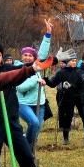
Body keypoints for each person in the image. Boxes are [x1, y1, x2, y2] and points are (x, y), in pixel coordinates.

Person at [16, 19, 53, 150]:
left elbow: (42, 53)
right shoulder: (17, 68)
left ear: (33, 58)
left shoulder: (36, 66)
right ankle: (26, 145)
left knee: (37, 128)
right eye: (24, 55)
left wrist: (48, 34)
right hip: (23, 103)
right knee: (33, 122)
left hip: (39, 103)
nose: (27, 57)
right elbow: (20, 88)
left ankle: (29, 148)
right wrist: (35, 81)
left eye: (30, 56)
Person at [44, 52, 83, 146]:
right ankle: (65, 137)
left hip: (79, 97)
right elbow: (53, 84)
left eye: (75, 61)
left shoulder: (79, 71)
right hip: (66, 97)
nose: (74, 62)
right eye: (72, 61)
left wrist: (71, 86)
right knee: (67, 117)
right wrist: (46, 80)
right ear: (67, 62)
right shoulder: (61, 72)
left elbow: (82, 84)